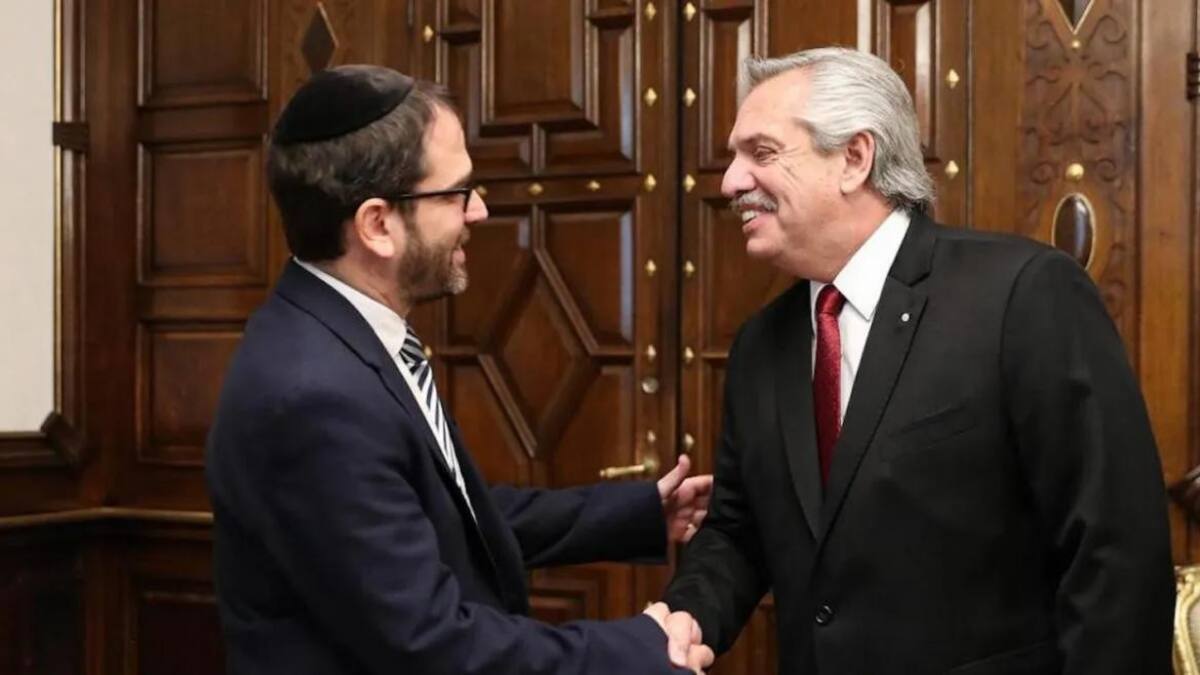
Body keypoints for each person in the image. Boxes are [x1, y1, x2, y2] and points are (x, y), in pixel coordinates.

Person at [658, 47, 1174, 674]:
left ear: (854, 158)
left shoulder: (1023, 295)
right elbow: (739, 533)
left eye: (761, 153)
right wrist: (687, 616)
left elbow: (1114, 551)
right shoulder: (759, 345)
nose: (730, 181)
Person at [205, 64, 714, 675]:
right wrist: (636, 650)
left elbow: (445, 516)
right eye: (456, 193)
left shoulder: (338, 337)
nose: (479, 211)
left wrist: (633, 515)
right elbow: (430, 643)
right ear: (377, 225)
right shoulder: (315, 395)